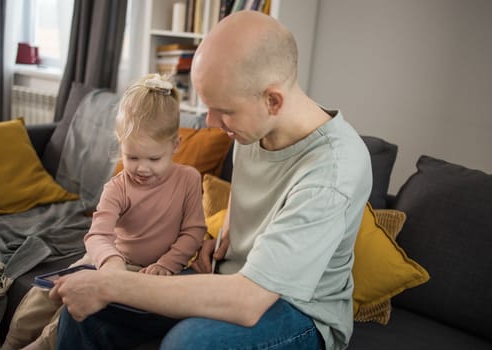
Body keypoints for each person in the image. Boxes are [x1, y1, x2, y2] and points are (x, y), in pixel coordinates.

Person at [52, 10, 373, 350]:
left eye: (223, 110)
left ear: (273, 100)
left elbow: (249, 300)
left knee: (188, 343)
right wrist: (226, 236)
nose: (211, 121)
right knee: (85, 312)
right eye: (208, 107)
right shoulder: (253, 128)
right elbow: (251, 192)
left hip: (299, 312)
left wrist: (109, 284)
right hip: (232, 277)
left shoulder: (333, 171)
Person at [0, 73, 206, 350]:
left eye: (154, 159)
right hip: (109, 262)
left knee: (75, 310)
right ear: (120, 145)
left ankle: (41, 346)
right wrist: (111, 263)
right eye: (131, 157)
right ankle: (11, 343)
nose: (142, 168)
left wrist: (167, 264)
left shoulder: (189, 179)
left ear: (176, 145)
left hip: (149, 273)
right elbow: (98, 234)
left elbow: (194, 231)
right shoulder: (117, 187)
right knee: (44, 294)